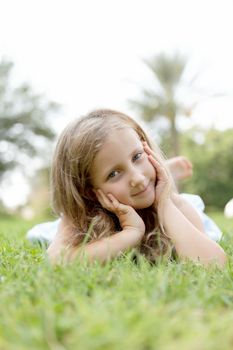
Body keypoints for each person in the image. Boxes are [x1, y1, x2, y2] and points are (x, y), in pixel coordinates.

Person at [30, 109, 227, 266]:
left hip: (174, 201)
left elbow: (214, 263)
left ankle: (163, 171)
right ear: (89, 191)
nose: (138, 179)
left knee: (203, 223)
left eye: (137, 156)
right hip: (101, 212)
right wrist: (131, 233)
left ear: (145, 146)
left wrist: (164, 202)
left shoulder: (177, 205)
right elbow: (57, 260)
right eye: (114, 174)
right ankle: (161, 168)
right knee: (40, 235)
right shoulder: (81, 216)